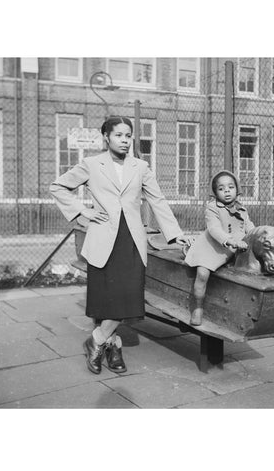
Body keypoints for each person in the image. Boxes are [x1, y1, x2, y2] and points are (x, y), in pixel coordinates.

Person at [50, 116, 188, 375]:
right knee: (107, 298)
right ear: (106, 137)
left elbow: (157, 199)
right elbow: (58, 187)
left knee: (129, 297)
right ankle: (114, 346)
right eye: (119, 135)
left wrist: (174, 233)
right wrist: (83, 212)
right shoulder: (91, 164)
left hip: (132, 240)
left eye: (128, 135)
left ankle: (97, 340)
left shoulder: (141, 166)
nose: (124, 140)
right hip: (102, 238)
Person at [184, 170, 254, 326]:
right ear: (215, 193)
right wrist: (231, 241)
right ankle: (198, 307)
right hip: (211, 247)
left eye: (230, 187)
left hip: (232, 250)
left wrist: (259, 234)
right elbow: (214, 229)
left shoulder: (242, 210)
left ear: (237, 189)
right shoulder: (212, 208)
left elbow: (250, 227)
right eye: (221, 189)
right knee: (202, 273)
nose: (227, 191)